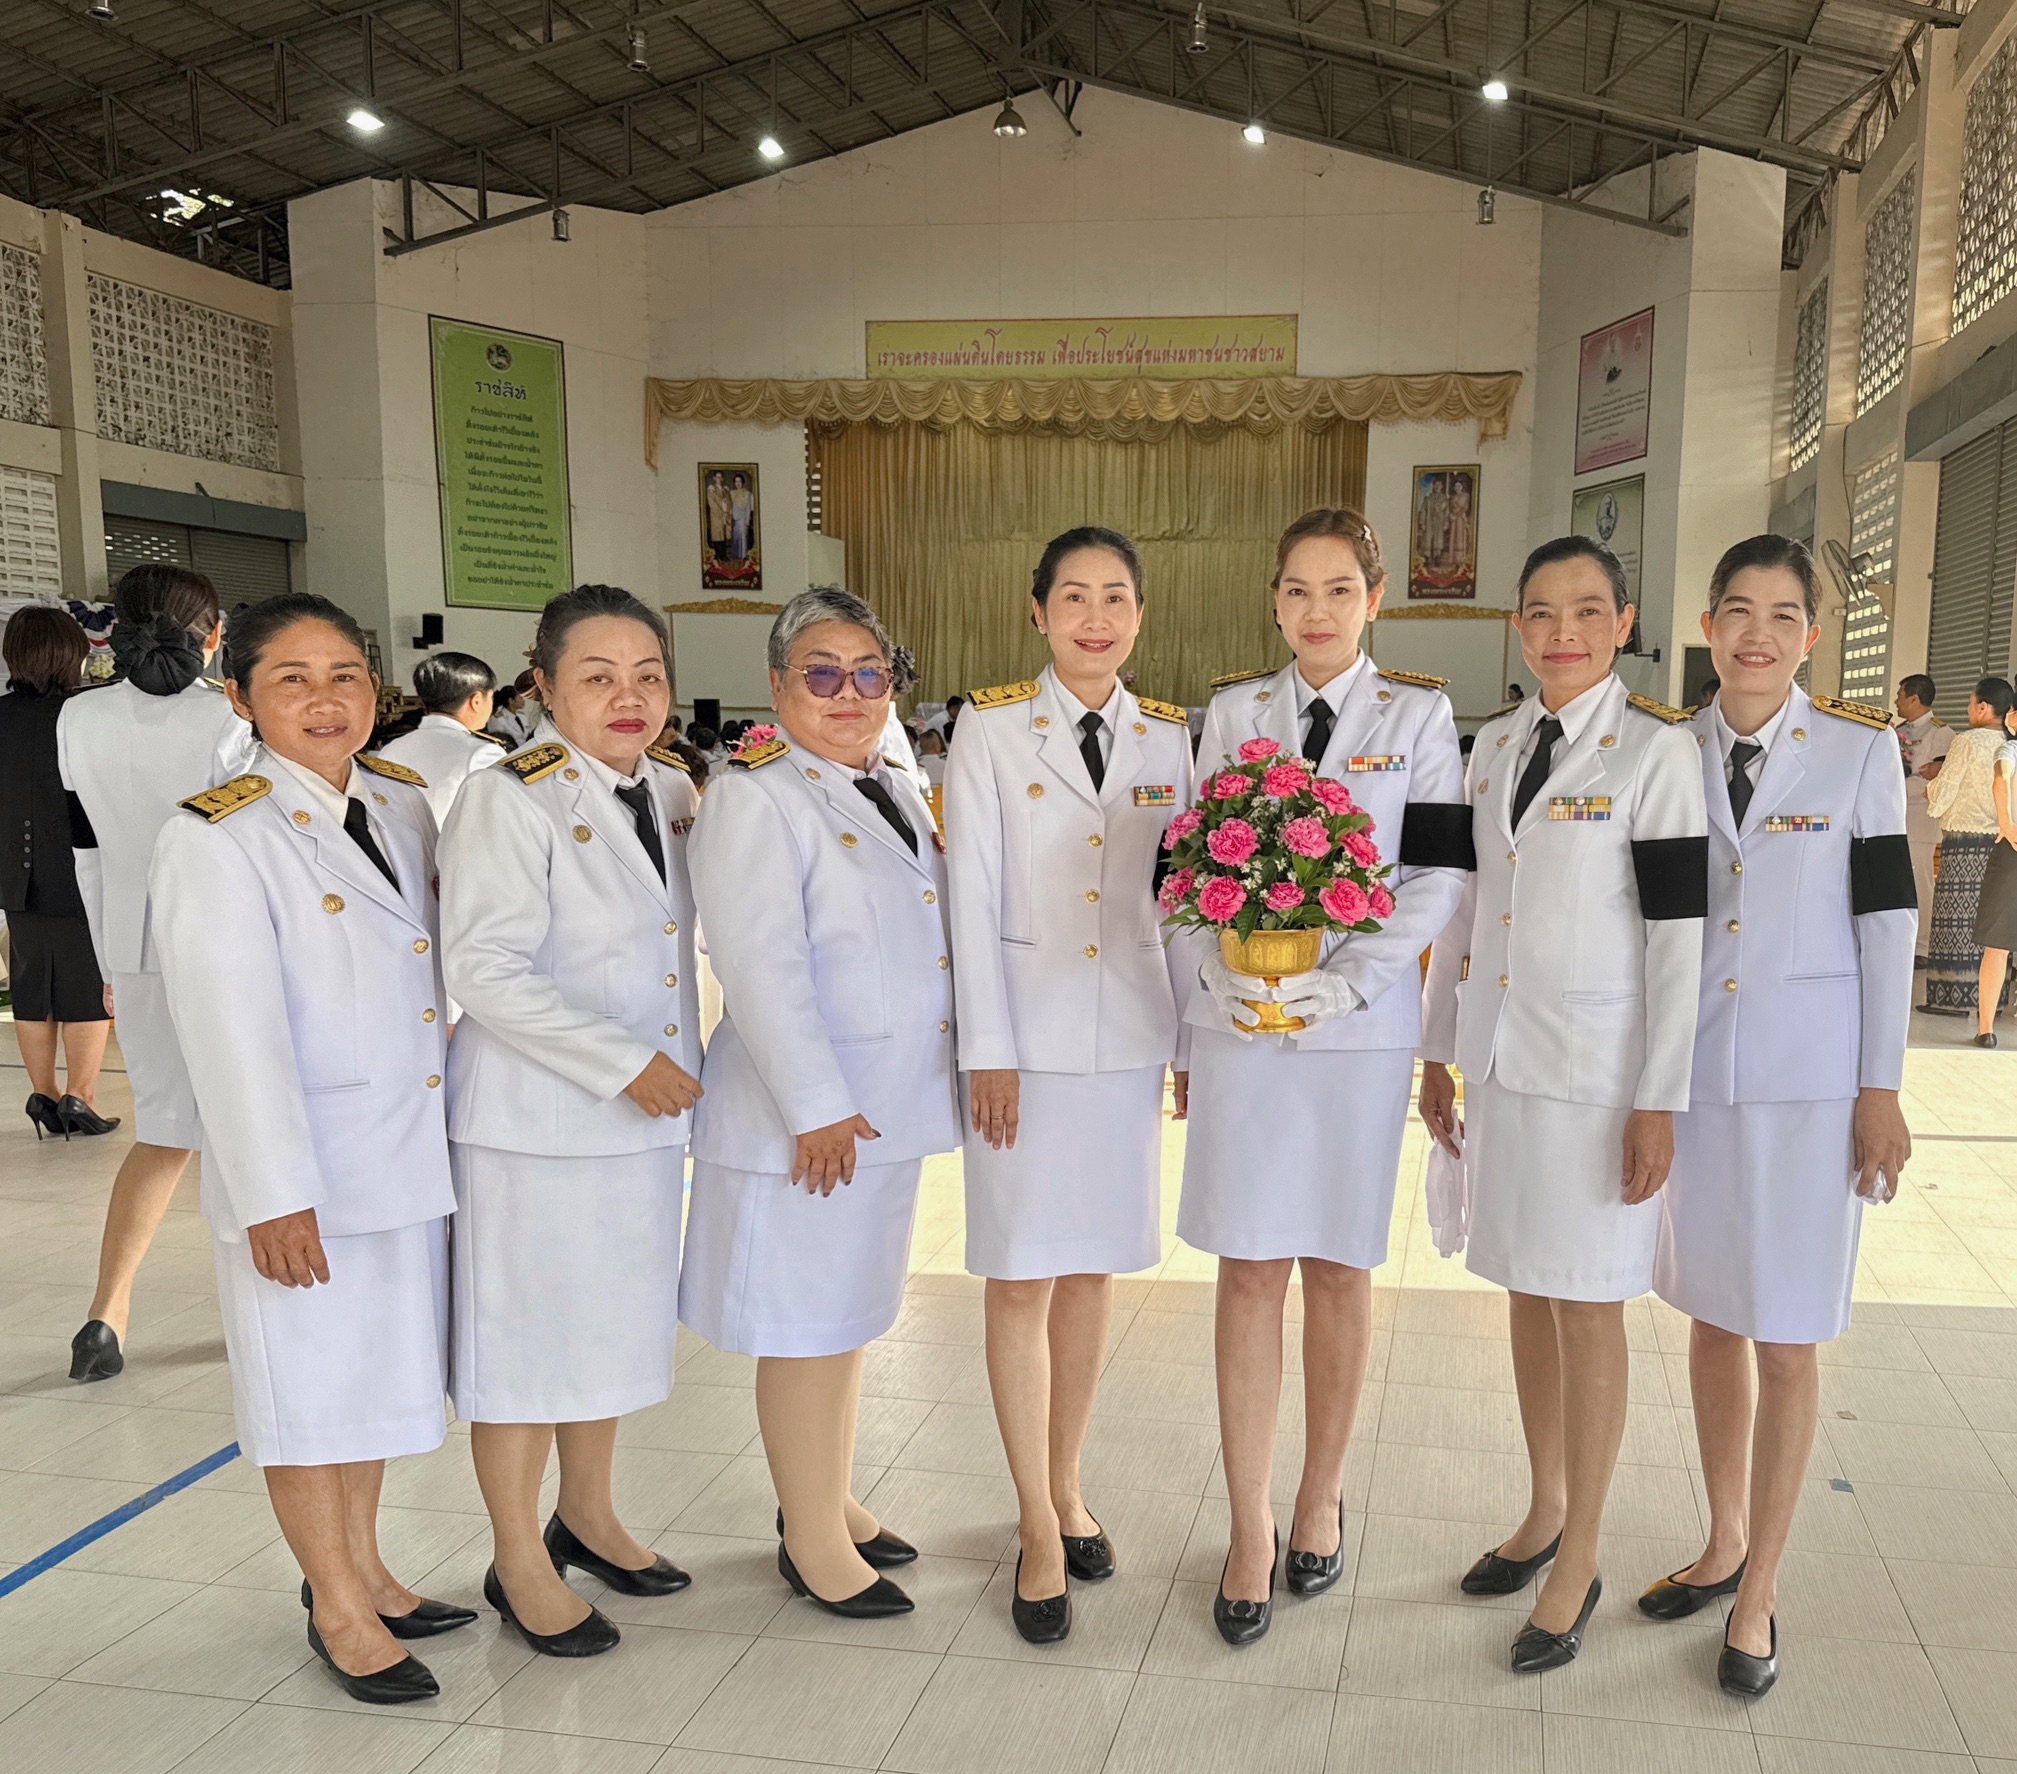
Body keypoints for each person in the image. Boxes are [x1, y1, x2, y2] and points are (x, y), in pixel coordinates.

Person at [151, 592, 471, 1705]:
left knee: (372, 1383)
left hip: (400, 1154)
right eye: (292, 679)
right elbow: (227, 1035)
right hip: (305, 1172)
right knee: (305, 1396)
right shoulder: (215, 835)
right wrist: (272, 1194)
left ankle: (368, 1569)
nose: (325, 700)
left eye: (344, 676)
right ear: (240, 697)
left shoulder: (397, 802)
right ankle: (335, 1605)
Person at [1181, 508, 1472, 1646]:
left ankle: (1320, 1496)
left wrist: (1347, 982)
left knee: (1341, 1270)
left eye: (1339, 589)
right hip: (1242, 1031)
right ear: (1273, 599)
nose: (1316, 611)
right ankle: (1249, 1522)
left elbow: (1437, 873)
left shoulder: (1421, 715)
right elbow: (1189, 863)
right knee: (1249, 1269)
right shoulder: (1232, 713)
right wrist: (1217, 984)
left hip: (1355, 1034)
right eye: (1297, 590)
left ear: (1375, 599)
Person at [1420, 535, 1707, 1673]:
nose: (1562, 632)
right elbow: (1458, 913)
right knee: (1527, 1290)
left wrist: (1659, 1098)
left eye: (1587, 611)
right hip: (1500, 1066)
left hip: (1599, 1078)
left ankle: (1580, 1553)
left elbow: (1677, 937)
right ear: (1516, 626)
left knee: (1586, 1303)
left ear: (1624, 623)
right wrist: (1436, 1051)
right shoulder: (1492, 744)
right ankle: (1543, 1508)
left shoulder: (1658, 752)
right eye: (1540, 612)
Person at [1646, 535, 1914, 1699]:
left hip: (1811, 1087)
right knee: (1712, 1314)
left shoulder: (1857, 753)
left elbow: (1887, 923)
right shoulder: (1666, 750)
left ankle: (1759, 1591)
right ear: (1708, 623)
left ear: (1811, 633)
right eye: (1738, 611)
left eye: (1783, 615)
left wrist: (1880, 1086)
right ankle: (1721, 1539)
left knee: (1788, 1337)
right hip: (1698, 1078)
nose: (1757, 635)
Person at [680, 587, 958, 1620]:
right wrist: (815, 1106)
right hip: (810, 1120)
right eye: (822, 673)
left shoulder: (890, 779)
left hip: (881, 1106)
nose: (849, 693)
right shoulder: (755, 796)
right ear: (776, 685)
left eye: (869, 673)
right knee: (803, 1325)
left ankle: (828, 1497)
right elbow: (760, 966)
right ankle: (809, 1538)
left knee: (845, 1318)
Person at [440, 584, 704, 1658]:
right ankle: (517, 1558)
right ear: (543, 686)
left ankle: (587, 1516)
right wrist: (623, 1062)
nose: (627, 696)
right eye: (597, 677)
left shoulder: (672, 788)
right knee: (524, 1347)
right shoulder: (509, 797)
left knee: (604, 1331)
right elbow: (482, 967)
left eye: (647, 675)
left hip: (639, 1119)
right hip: (536, 1125)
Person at [944, 527, 1194, 1643]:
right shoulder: (991, 727)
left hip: (1127, 1039)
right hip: (1025, 1047)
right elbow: (969, 894)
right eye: (1076, 597)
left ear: (1140, 614)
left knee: (1091, 1271)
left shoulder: (1168, 736)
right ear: (1037, 610)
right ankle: (1034, 1526)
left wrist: (1188, 1043)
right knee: (1018, 1279)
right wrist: (984, 1048)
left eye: (1117, 598)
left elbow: (1183, 900)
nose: (1097, 617)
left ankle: (1067, 1483)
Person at [59, 563, 254, 1381]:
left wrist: (112, 958)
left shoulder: (77, 716)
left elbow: (87, 851)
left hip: (136, 949)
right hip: (229, 948)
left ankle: (106, 1314)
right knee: (251, 1132)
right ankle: (253, 1316)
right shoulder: (229, 720)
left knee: (166, 1132)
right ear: (215, 635)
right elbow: (249, 849)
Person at [1, 606, 115, 1139]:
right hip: (78, 865)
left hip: (13, 871)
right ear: (73, 653)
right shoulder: (86, 713)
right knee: (85, 983)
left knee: (30, 984)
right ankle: (81, 1096)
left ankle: (42, 1093)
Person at [1924, 677, 2014, 1017]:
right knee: (1994, 924)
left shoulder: (1966, 741)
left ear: (1983, 708)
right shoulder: (2010, 743)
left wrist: (1930, 790)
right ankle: (1991, 1003)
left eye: (1971, 704)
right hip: (2003, 842)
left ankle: (1952, 998)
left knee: (1956, 918)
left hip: (1964, 844)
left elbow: (1943, 791)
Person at [379, 651, 505, 827]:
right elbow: (500, 820)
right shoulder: (482, 753)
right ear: (476, 700)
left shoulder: (391, 749)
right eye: (490, 697)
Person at [1897, 674, 1952, 964]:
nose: (1896, 701)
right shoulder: (1897, 730)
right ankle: (1902, 941)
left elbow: (1938, 778)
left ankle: (1923, 946)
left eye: (1900, 696)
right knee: (1899, 884)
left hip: (1920, 818)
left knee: (1920, 884)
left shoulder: (1940, 733)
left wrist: (1898, 789)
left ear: (1914, 699)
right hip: (1896, 815)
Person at [1972, 704, 2017, 1047]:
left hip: (2011, 848)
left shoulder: (2011, 748)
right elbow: (2001, 778)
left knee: (1997, 947)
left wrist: (2007, 823)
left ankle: (1986, 1029)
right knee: (1998, 946)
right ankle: (1986, 1027)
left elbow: (2001, 778)